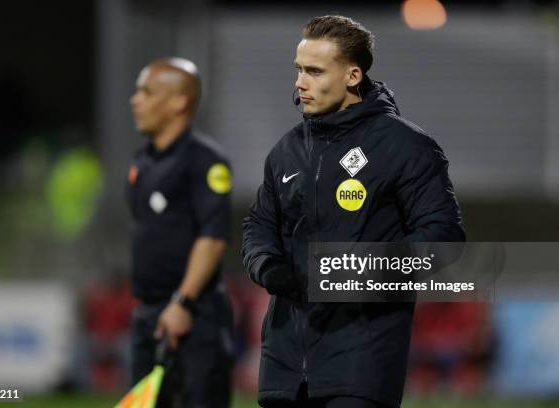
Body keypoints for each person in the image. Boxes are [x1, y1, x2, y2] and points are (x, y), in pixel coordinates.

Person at [242, 15, 465, 408]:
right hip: (284, 365)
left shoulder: (405, 146)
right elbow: (259, 225)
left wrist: (350, 277)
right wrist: (268, 266)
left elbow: (443, 237)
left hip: (362, 363)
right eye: (298, 69)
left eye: (314, 71)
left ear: (352, 75)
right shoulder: (285, 151)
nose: (299, 83)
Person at [126, 57, 234, 407]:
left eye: (146, 91)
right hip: (149, 315)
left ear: (178, 102)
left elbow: (213, 237)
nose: (135, 100)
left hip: (194, 317)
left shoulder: (205, 161)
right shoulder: (142, 162)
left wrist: (182, 302)